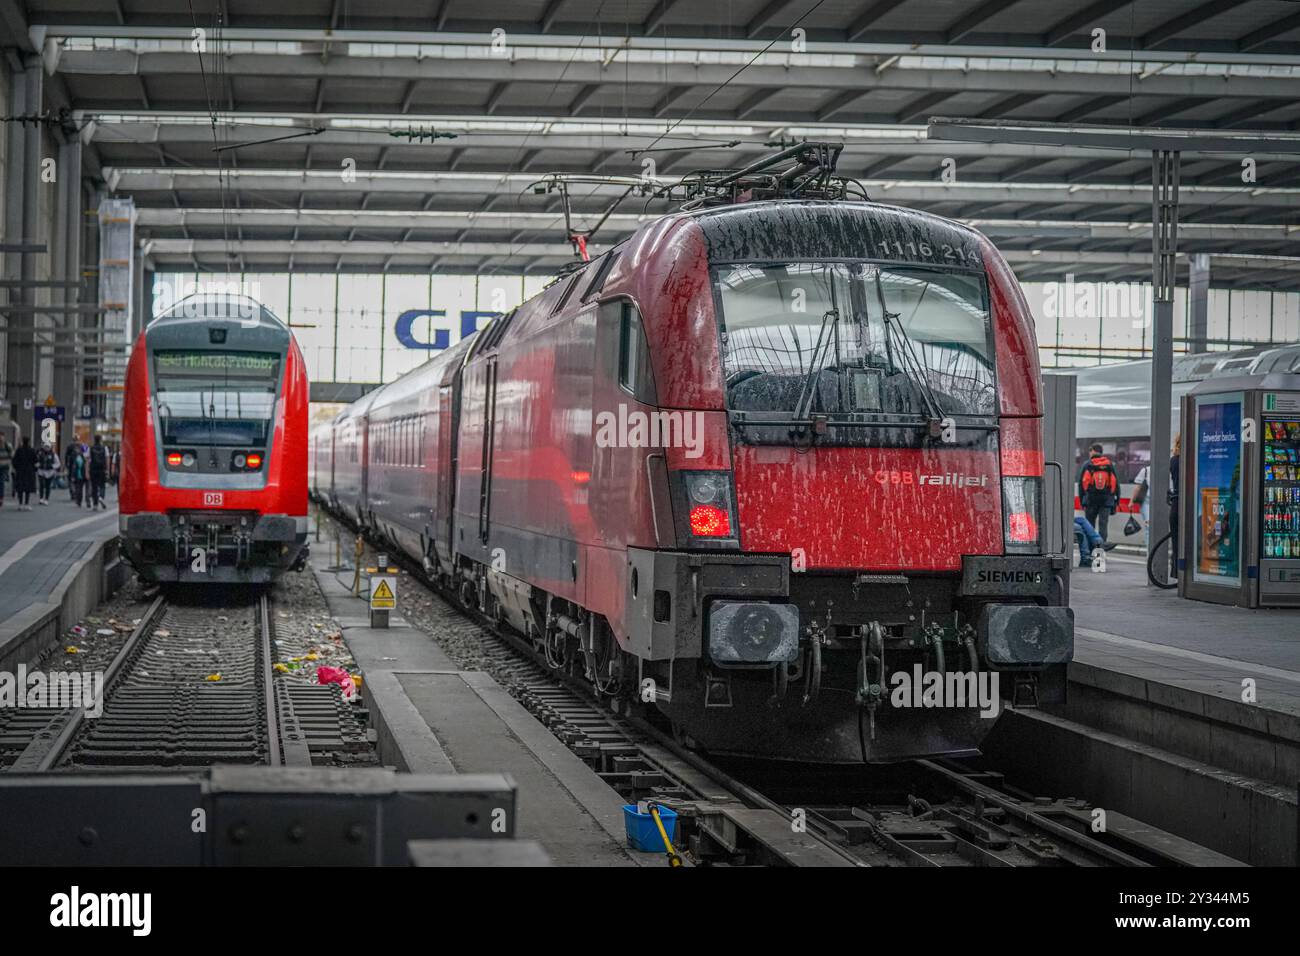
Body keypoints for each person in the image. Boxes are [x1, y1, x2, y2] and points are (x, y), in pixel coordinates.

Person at [1078, 443, 1120, 542]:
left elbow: (1081, 484)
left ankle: (1090, 545)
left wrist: (1082, 501)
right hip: (1106, 501)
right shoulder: (1109, 464)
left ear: (1092, 451)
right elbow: (1116, 484)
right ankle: (1102, 546)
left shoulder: (1087, 464)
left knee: (1089, 525)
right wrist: (1116, 501)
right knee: (1103, 525)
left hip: (1090, 500)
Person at [1169, 434, 1181, 581]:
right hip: (1187, 506)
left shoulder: (1174, 460)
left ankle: (1176, 572)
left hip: (1176, 505)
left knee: (1176, 543)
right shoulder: (1193, 460)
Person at [12, 437, 36, 511]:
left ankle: (20, 504)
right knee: (27, 489)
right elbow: (35, 460)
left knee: (20, 488)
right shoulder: (32, 450)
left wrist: (17, 468)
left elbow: (14, 461)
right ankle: (27, 503)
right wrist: (34, 469)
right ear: (29, 442)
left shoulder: (19, 450)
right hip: (29, 471)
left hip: (20, 471)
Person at [88, 435, 109, 510]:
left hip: (93, 469)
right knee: (102, 485)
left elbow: (88, 460)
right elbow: (107, 459)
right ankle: (101, 497)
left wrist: (87, 471)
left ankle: (95, 504)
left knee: (94, 487)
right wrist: (107, 469)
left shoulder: (90, 448)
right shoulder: (104, 448)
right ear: (100, 440)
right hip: (102, 469)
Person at [68, 442, 88, 508]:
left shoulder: (77, 457)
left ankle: (79, 501)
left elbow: (74, 467)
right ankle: (85, 501)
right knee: (82, 489)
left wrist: (73, 475)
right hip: (84, 474)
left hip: (79, 475)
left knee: (78, 488)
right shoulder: (85, 457)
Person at [0, 433, 11, 508]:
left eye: (2, 437)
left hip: (4, 467)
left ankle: (1, 498)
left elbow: (11, 455)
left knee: (1, 482)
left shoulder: (7, 445)